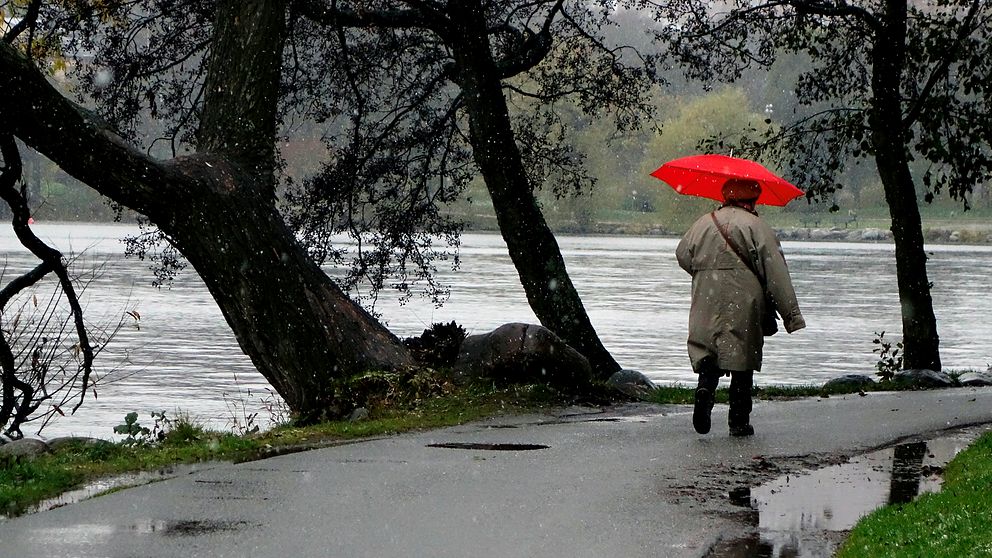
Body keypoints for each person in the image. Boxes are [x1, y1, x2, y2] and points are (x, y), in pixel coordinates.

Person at [675, 178, 805, 436]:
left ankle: (704, 391)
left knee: (708, 351)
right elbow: (776, 272)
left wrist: (706, 271)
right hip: (745, 300)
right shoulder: (757, 226)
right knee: (742, 359)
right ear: (752, 200)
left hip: (706, 297)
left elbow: (682, 255)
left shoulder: (703, 223)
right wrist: (792, 316)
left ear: (726, 197)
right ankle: (738, 421)